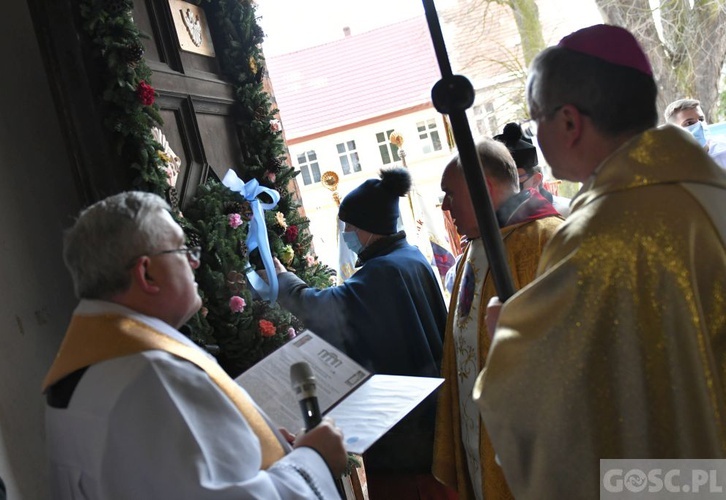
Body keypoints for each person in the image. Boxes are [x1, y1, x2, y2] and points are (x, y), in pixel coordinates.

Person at [474, 24, 726, 499]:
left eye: (535, 121)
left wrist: (506, 338)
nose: (535, 135)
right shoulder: (712, 191)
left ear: (569, 122)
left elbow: (548, 419)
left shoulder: (596, 237)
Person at [42, 191, 347, 499]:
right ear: (146, 273)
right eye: (181, 249)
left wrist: (253, 444)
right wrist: (313, 459)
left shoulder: (98, 365)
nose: (194, 260)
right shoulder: (153, 377)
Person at [273, 167, 452, 499]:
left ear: (370, 228)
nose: (347, 234)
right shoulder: (409, 257)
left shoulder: (383, 272)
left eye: (351, 227)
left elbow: (327, 311)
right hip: (433, 421)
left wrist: (283, 281)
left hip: (406, 438)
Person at [432, 138, 563, 500]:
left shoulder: (547, 241)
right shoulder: (468, 257)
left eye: (450, 194)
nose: (445, 206)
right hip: (480, 437)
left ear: (482, 188)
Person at [494, 122, 572, 216]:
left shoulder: (567, 212)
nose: (507, 193)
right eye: (501, 183)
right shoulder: (499, 221)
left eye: (515, 182)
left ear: (536, 180)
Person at [665, 98, 726, 169]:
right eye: (689, 123)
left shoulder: (723, 151)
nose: (700, 125)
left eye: (701, 119)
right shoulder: (672, 166)